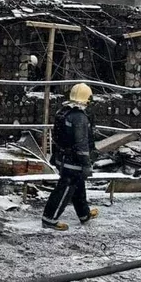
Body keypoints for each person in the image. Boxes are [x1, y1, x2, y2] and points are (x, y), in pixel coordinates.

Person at [42, 83, 99, 231]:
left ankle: (84, 214)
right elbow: (81, 143)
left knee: (78, 186)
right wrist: (86, 164)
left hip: (63, 157)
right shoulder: (79, 117)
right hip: (73, 160)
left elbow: (57, 136)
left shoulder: (63, 112)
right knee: (65, 188)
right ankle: (49, 218)